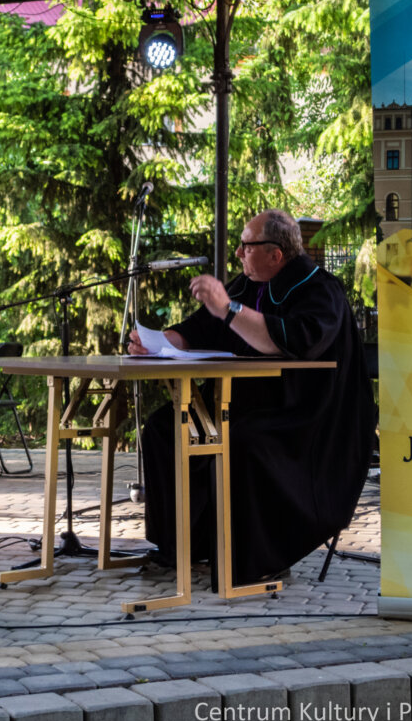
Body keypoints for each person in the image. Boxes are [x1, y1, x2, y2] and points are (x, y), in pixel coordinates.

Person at [129, 209, 376, 583]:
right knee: (164, 427)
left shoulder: (319, 290)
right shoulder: (246, 284)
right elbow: (197, 330)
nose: (239, 254)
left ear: (276, 254)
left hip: (307, 419)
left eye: (247, 246)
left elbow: (286, 340)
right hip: (239, 405)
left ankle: (257, 560)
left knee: (243, 442)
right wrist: (157, 343)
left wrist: (228, 309)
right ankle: (182, 547)